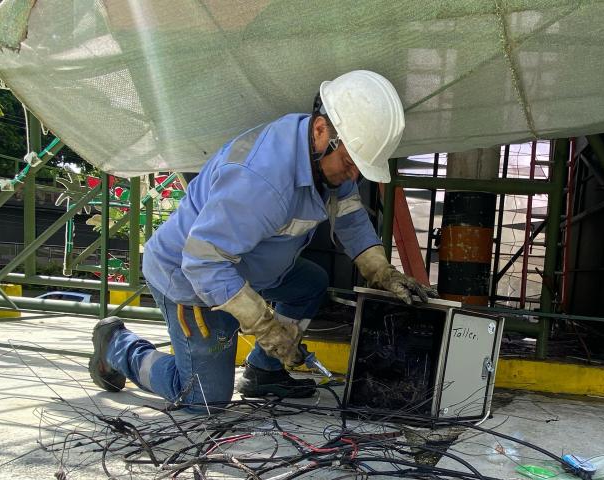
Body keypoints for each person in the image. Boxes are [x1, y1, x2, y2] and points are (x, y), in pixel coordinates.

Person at [88, 70, 437, 411]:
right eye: (349, 163)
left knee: (310, 283)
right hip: (191, 277)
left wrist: (383, 272)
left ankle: (263, 373)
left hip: (248, 266)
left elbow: (349, 216)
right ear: (320, 130)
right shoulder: (261, 181)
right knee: (204, 399)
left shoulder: (326, 153)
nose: (354, 176)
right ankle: (117, 347)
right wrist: (266, 326)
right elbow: (204, 262)